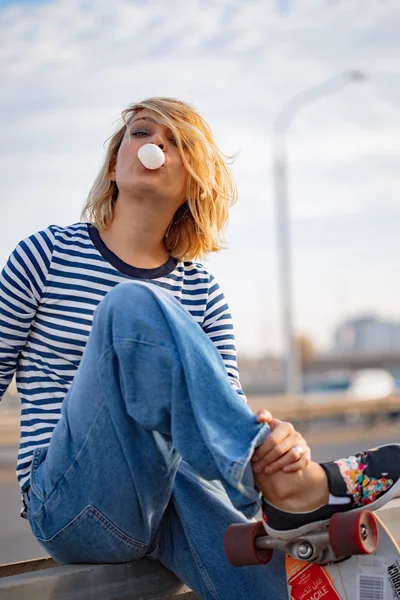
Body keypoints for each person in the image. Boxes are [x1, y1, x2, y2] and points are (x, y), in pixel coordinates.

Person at [0, 97, 398, 600]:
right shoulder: (46, 254)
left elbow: (218, 415)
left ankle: (297, 516)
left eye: (178, 143)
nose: (155, 146)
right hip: (74, 504)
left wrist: (278, 444)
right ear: (114, 165)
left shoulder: (202, 291)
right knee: (131, 308)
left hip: (171, 499)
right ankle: (294, 492)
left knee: (270, 582)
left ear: (194, 180)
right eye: (142, 133)